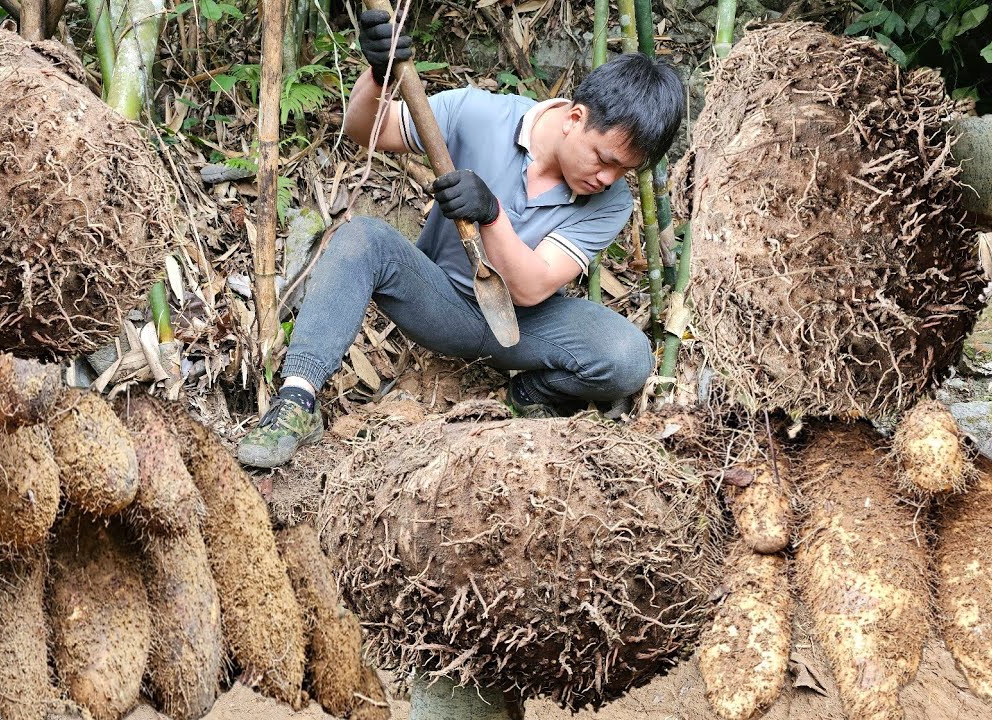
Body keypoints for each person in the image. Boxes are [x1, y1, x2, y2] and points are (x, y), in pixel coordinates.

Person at [237, 10, 685, 468]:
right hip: (440, 301)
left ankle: (530, 392)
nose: (608, 178)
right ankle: (296, 401)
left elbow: (533, 286)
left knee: (628, 357)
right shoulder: (478, 114)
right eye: (603, 159)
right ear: (574, 117)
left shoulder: (612, 203)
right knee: (362, 238)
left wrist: (491, 215)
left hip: (523, 326)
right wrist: (378, 76)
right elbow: (364, 130)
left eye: (624, 171)